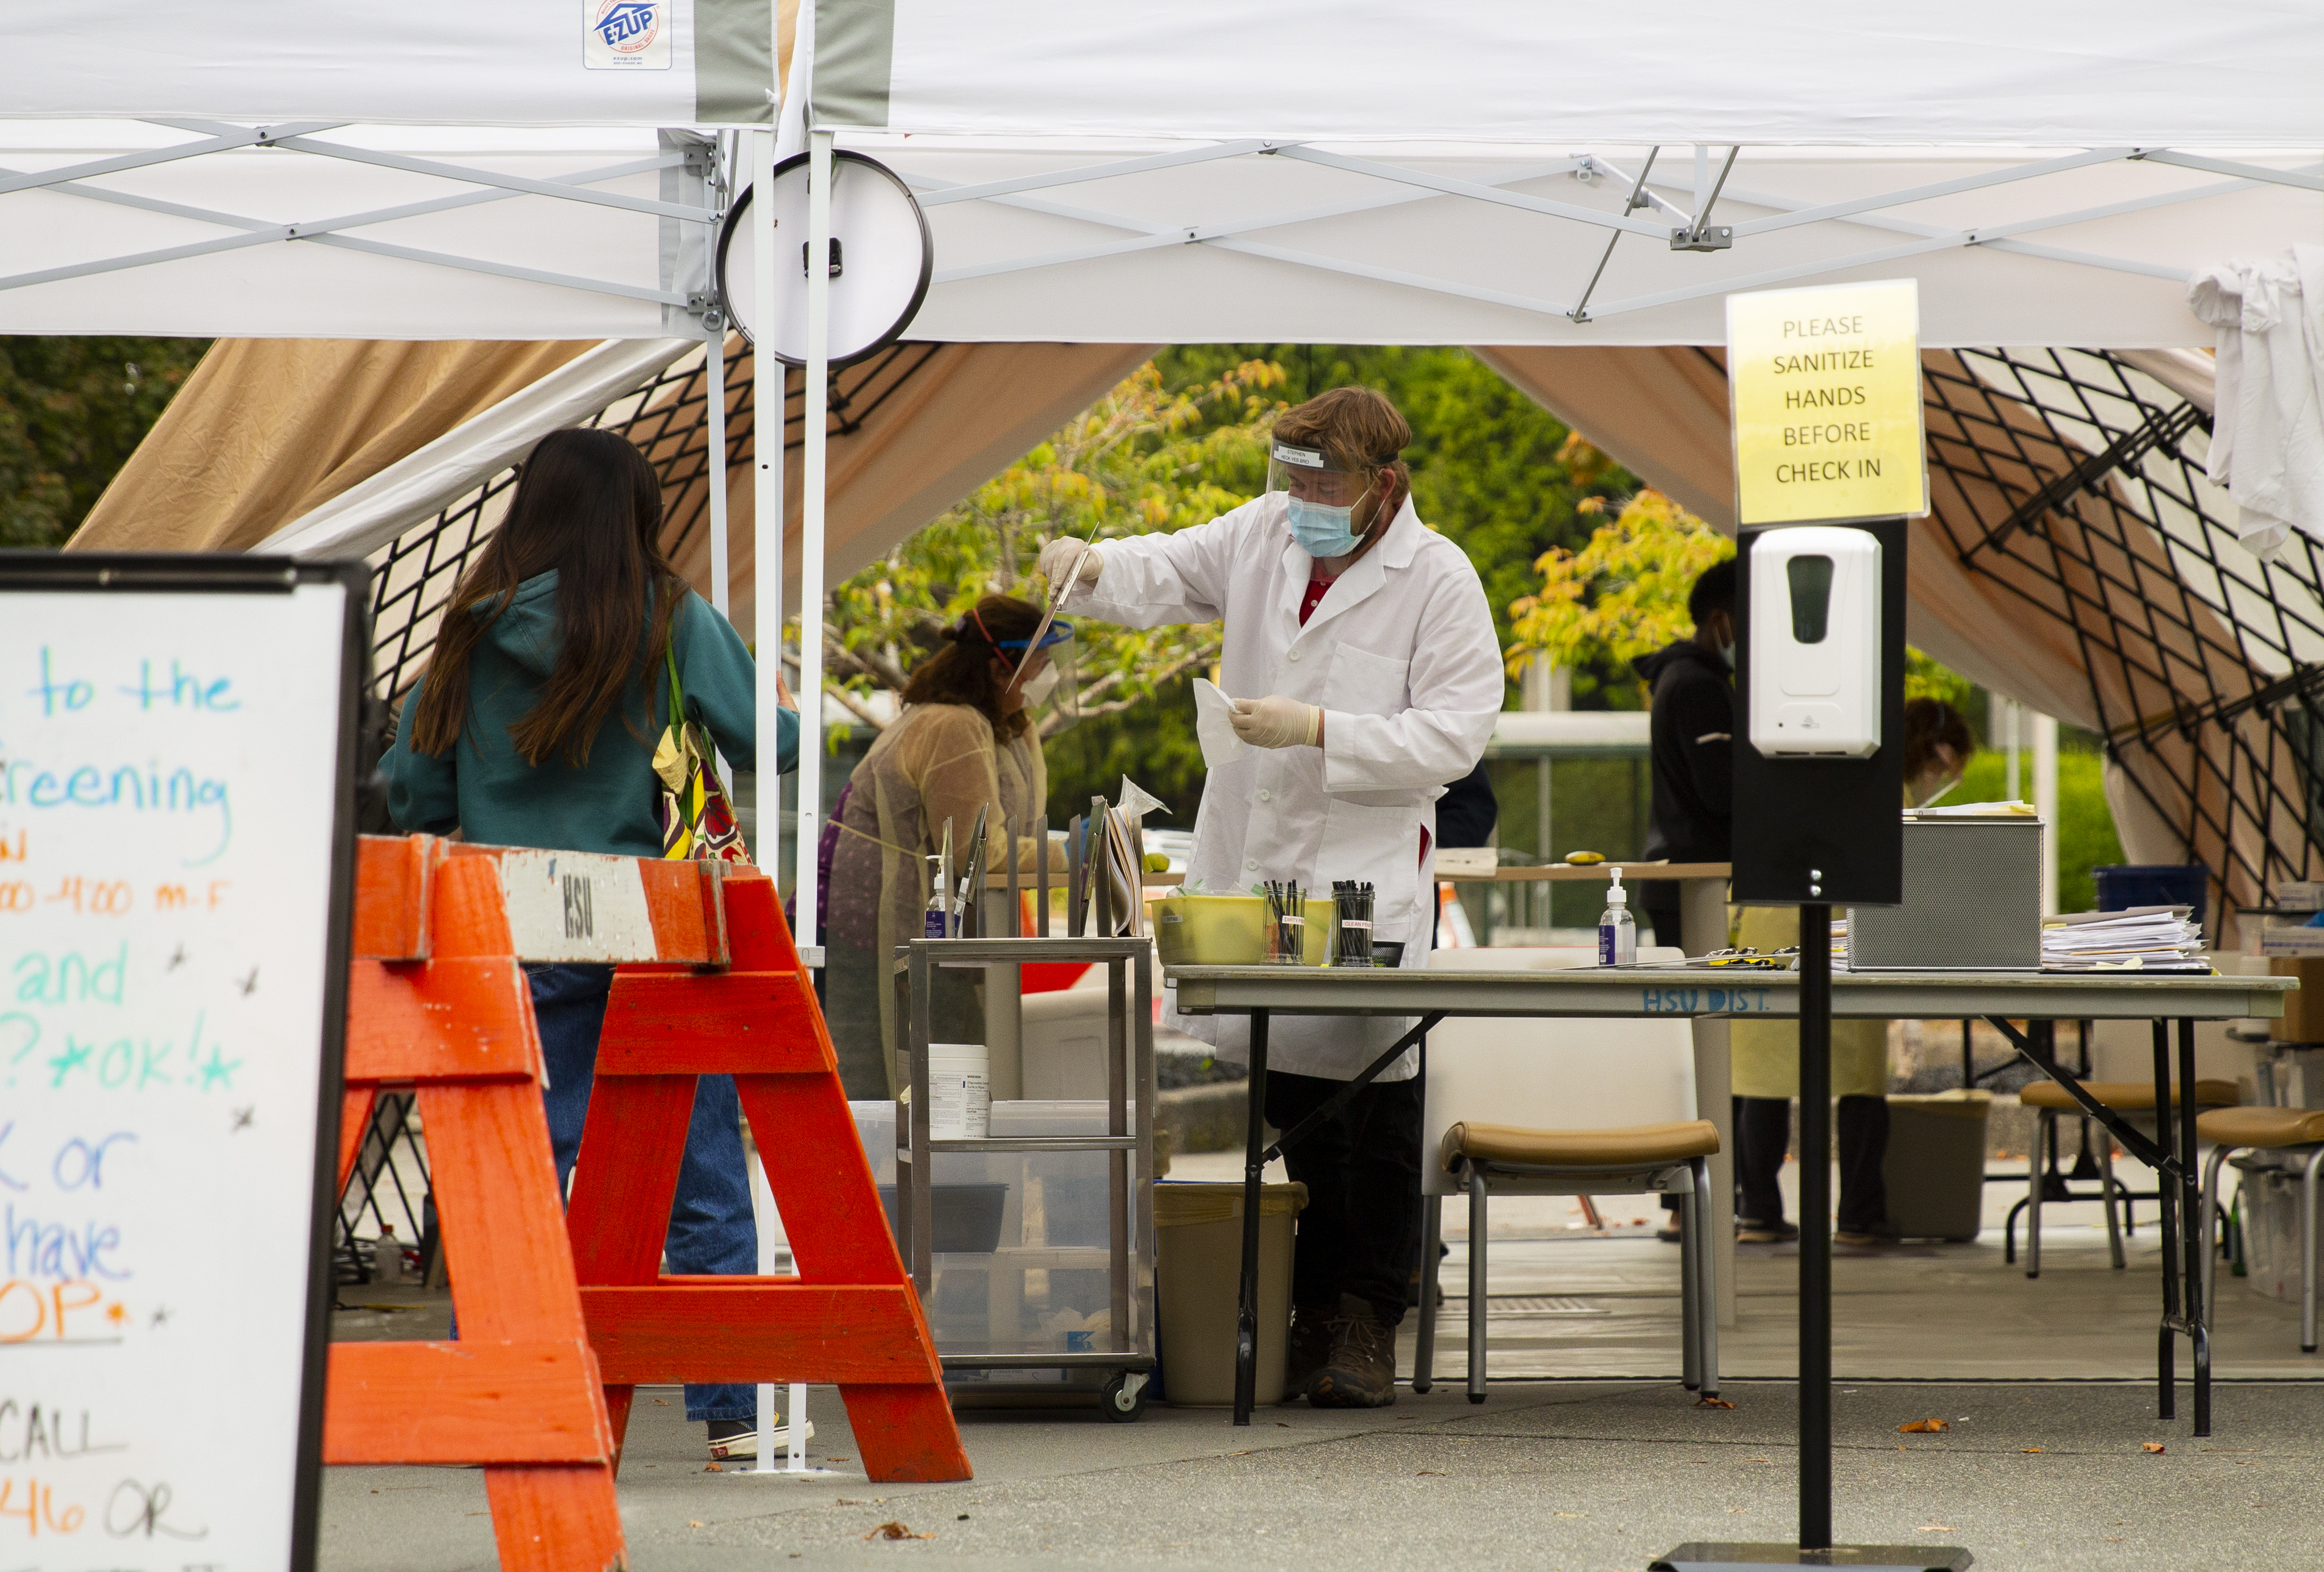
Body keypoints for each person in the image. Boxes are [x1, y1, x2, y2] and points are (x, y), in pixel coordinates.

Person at [1041, 386, 1504, 1407]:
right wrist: (1093, 566)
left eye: (1321, 485)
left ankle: (1367, 1314)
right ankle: (1310, 1311)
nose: (1300, 502)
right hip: (1261, 867)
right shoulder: (1261, 533)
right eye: (1289, 479)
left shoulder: (1437, 577)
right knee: (1291, 1102)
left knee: (1374, 1103)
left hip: (1362, 875)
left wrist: (1320, 729)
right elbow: (1169, 568)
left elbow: (1455, 732)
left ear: (1382, 484)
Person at [381, 426, 799, 1461]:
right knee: (699, 1169)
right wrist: (775, 699)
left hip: (511, 924)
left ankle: (488, 1391)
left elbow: (411, 788)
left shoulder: (472, 629)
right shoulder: (669, 617)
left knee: (520, 1164)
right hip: (650, 926)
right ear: (636, 519)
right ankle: (730, 1412)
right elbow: (771, 743)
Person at [1729, 696, 1976, 1245]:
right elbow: (1902, 877)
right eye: (1946, 767)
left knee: (1762, 1078)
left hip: (1766, 925)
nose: (1943, 780)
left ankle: (1758, 1212)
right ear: (1936, 753)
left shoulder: (1813, 768)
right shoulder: (1886, 790)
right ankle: (1859, 1216)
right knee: (1860, 1082)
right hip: (1843, 935)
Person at [818, 595, 1065, 1100]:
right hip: (870, 937)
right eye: (1040, 663)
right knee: (889, 1096)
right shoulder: (953, 726)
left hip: (907, 934)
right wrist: (1080, 855)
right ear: (999, 669)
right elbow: (979, 854)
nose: (1050, 675)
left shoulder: (994, 725)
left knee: (945, 1091)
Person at [1632, 560, 1737, 951]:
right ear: (1719, 621)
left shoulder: (1685, 677)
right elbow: (1720, 789)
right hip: (1695, 881)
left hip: (1683, 876)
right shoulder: (1697, 686)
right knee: (1704, 987)